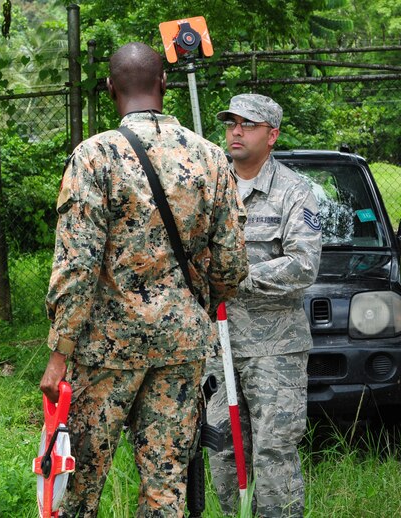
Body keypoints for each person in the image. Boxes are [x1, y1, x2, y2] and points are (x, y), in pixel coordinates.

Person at [39, 42, 248, 516]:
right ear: (165, 83)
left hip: (106, 349)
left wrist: (59, 352)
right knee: (166, 486)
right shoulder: (211, 158)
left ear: (110, 88)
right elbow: (233, 264)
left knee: (78, 483)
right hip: (181, 346)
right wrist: (192, 306)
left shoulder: (94, 157)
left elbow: (77, 267)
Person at [206, 93, 322, 517]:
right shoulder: (209, 186)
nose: (236, 132)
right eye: (231, 123)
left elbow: (304, 265)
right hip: (217, 347)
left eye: (248, 125)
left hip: (275, 351)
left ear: (272, 135)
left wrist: (237, 277)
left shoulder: (293, 192)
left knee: (274, 453)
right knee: (222, 452)